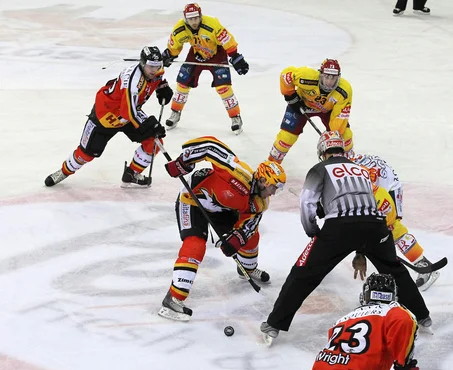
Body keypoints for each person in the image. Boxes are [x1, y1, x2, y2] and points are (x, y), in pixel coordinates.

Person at [260, 131, 434, 343]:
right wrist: (361, 250)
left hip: (339, 228)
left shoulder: (318, 169)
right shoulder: (361, 169)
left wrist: (313, 233)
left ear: (322, 153)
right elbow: (365, 206)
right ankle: (423, 316)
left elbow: (307, 203)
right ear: (342, 150)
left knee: (303, 273)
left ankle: (274, 324)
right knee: (395, 270)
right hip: (376, 226)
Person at [157, 136, 286, 321]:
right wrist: (184, 161)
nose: (274, 192)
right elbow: (210, 146)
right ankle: (174, 298)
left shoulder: (260, 202)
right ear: (264, 181)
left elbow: (249, 225)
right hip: (193, 200)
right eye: (274, 187)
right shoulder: (238, 173)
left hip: (222, 209)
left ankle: (247, 269)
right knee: (195, 245)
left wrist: (237, 239)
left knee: (251, 237)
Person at [44, 46, 172, 188]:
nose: (154, 70)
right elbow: (127, 113)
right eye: (150, 66)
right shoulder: (133, 84)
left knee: (154, 142)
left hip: (129, 110)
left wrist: (162, 87)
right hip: (106, 115)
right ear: (142, 63)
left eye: (157, 66)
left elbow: (158, 78)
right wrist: (149, 126)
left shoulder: (155, 70)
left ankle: (131, 174)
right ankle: (64, 171)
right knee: (86, 154)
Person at [303, 273, 419, 370]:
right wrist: (403, 368)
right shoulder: (393, 311)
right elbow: (404, 320)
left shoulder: (342, 320)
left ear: (365, 295)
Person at [351, 153, 440, 291]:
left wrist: (361, 251)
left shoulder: (358, 181)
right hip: (378, 182)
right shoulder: (346, 171)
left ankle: (423, 264)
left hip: (388, 187)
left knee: (392, 226)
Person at [161, 3, 249, 134]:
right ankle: (175, 113)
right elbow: (175, 45)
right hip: (196, 53)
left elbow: (227, 40)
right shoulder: (180, 28)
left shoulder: (212, 24)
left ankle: (235, 117)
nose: (194, 22)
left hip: (217, 54)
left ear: (200, 16)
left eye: (196, 18)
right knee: (183, 83)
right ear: (185, 19)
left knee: (223, 87)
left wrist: (235, 56)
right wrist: (169, 54)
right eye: (190, 19)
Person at [267, 59, 354, 163]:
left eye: (333, 78)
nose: (329, 82)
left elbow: (339, 120)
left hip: (328, 110)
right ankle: (271, 164)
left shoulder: (344, 90)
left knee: (344, 135)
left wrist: (333, 138)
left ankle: (349, 164)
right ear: (320, 74)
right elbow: (285, 75)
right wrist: (290, 95)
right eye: (327, 77)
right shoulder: (307, 76)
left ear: (338, 78)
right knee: (286, 137)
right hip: (301, 105)